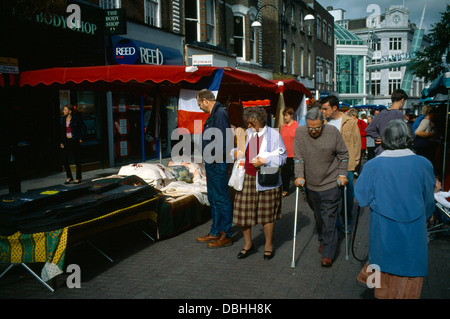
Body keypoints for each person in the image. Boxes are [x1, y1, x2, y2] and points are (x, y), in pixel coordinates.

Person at [355, 119, 435, 299]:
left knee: (381, 282)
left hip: (383, 233)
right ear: (409, 138)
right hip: (414, 231)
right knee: (410, 281)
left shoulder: (372, 165)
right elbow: (429, 202)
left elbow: (361, 199)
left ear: (384, 139)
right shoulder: (423, 163)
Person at [293, 107, 349, 267]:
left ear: (323, 123)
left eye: (317, 128)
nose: (314, 131)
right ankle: (324, 240)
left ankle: (328, 253)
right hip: (311, 185)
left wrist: (342, 174)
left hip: (331, 183)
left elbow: (344, 155)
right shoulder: (300, 132)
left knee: (329, 218)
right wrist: (299, 176)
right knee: (319, 217)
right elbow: (298, 157)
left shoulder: (332, 132)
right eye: (311, 128)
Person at [232, 107, 286, 260]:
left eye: (250, 123)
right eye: (247, 123)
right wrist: (235, 152)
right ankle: (248, 244)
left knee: (266, 214)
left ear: (258, 121)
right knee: (243, 214)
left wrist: (266, 160)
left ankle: (268, 245)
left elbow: (283, 158)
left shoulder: (273, 135)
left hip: (266, 179)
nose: (248, 126)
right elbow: (240, 151)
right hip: (247, 178)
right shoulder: (247, 134)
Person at [196, 89, 233, 248]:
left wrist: (213, 159)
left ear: (205, 100)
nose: (199, 108)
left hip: (217, 163)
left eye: (199, 104)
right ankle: (215, 231)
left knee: (221, 198)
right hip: (212, 163)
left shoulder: (220, 114)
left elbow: (225, 141)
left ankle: (226, 234)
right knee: (213, 197)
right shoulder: (215, 114)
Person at [320, 96, 361, 234]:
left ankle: (347, 221)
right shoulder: (323, 123)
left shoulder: (349, 122)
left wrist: (354, 163)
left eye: (325, 109)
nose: (323, 111)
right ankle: (334, 223)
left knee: (347, 196)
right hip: (328, 166)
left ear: (334, 108)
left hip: (346, 165)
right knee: (330, 197)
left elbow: (356, 143)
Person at [365, 89, 408, 156]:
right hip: (394, 150)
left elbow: (369, 130)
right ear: (402, 100)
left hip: (381, 150)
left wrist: (379, 137)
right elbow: (403, 134)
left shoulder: (382, 113)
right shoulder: (398, 114)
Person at [60, 104, 87, 184]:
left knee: (77, 159)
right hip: (66, 141)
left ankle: (78, 178)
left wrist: (81, 138)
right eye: (64, 110)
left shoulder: (76, 119)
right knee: (65, 159)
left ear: (70, 111)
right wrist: (61, 141)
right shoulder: (63, 119)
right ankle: (69, 177)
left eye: (65, 110)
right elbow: (62, 131)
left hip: (74, 140)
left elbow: (84, 128)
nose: (63, 111)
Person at [280, 107, 298, 197]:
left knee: (297, 172)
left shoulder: (297, 126)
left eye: (286, 115)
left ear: (291, 115)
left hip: (295, 153)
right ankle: (285, 189)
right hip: (285, 154)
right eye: (284, 116)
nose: (285, 117)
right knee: (285, 173)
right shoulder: (283, 127)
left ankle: (302, 188)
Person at [348, 108, 367, 173]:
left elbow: (367, 132)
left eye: (351, 116)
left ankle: (358, 171)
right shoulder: (350, 123)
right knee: (352, 157)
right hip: (352, 144)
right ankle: (354, 170)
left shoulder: (362, 123)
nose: (350, 117)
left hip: (361, 144)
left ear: (354, 116)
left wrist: (358, 133)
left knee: (359, 158)